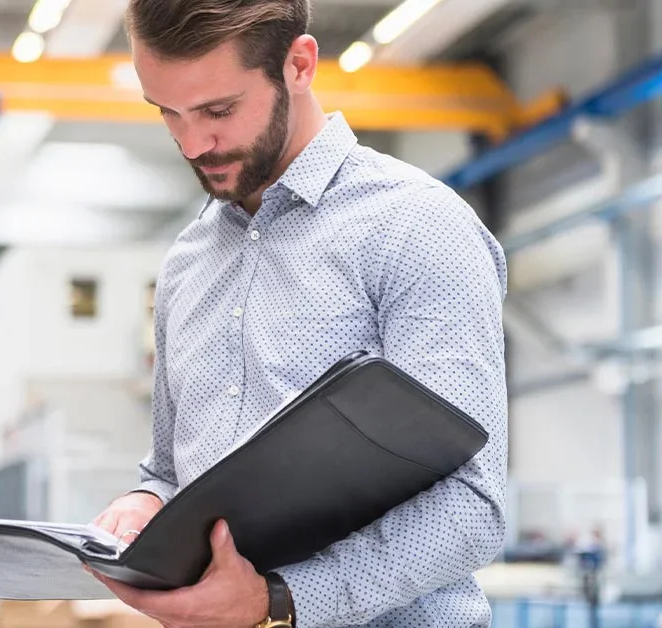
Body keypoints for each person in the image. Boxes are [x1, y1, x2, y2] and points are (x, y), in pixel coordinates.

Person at [90, 1, 509, 626]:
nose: (191, 143)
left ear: (299, 64)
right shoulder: (188, 261)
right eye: (166, 112)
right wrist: (145, 502)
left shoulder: (416, 228)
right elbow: (171, 472)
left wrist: (279, 601)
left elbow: (473, 505)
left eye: (218, 110)